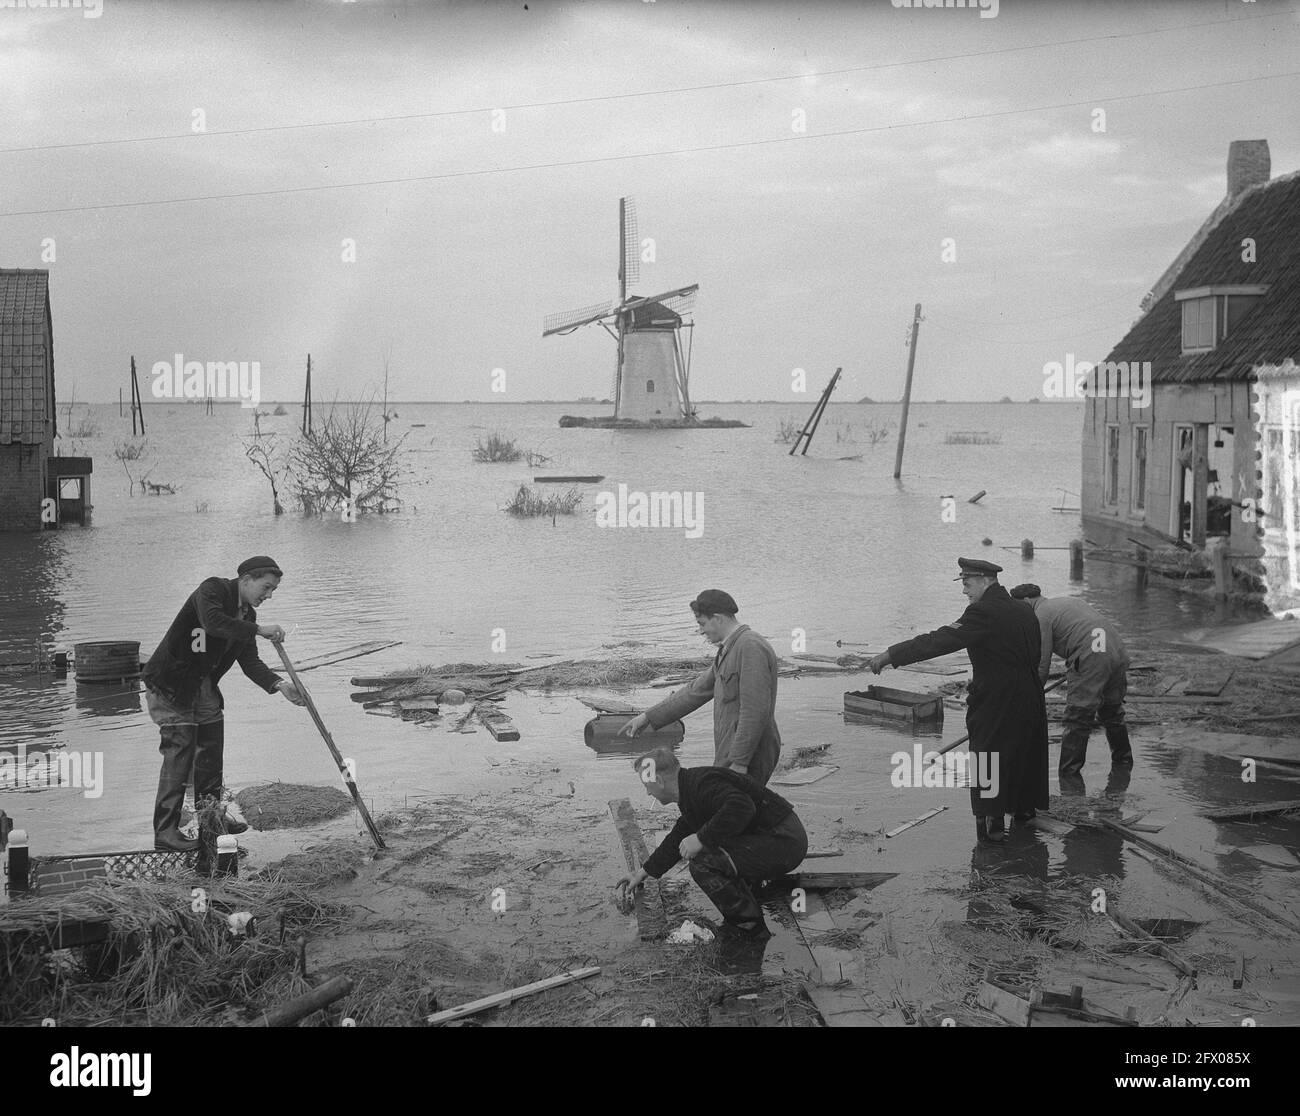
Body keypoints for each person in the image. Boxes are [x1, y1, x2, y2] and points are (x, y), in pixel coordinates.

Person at [867, 558, 1049, 844]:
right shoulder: (1024, 610)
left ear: (985, 580)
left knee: (988, 761)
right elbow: (1036, 654)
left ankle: (992, 832)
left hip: (996, 702)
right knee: (1023, 756)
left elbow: (940, 640)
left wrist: (891, 655)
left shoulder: (982, 612)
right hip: (1031, 698)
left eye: (966, 583)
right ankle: (1024, 822)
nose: (964, 590)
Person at [142, 556, 305, 851]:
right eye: (265, 588)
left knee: (211, 756)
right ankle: (165, 833)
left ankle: (211, 821)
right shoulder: (213, 590)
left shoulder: (248, 617)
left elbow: (250, 662)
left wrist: (280, 685)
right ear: (246, 580)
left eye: (272, 591)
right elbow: (213, 624)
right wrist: (258, 630)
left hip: (202, 688)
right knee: (180, 756)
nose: (267, 596)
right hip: (171, 685)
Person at [615, 747, 808, 939]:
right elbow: (677, 838)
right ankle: (752, 897)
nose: (648, 793)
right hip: (776, 837)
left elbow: (742, 806)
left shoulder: (703, 785)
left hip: (785, 841)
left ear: (658, 781)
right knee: (711, 849)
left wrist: (701, 838)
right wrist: (642, 872)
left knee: (704, 862)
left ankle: (748, 927)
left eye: (647, 786)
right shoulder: (691, 789)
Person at [620, 590, 782, 787]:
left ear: (718, 619)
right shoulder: (729, 649)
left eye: (702, 624)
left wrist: (740, 762)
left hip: (749, 753)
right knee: (736, 811)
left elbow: (755, 711)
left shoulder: (750, 647)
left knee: (735, 811)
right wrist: (647, 717)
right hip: (733, 750)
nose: (701, 631)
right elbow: (695, 691)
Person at [1009, 584, 1132, 794]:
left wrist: (1032, 694)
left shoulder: (1040, 615)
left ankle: (1069, 778)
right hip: (1117, 651)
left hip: (1092, 655)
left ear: (1027, 602)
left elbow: (1042, 663)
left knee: (1078, 716)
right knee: (1112, 711)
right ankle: (1123, 762)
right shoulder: (1066, 602)